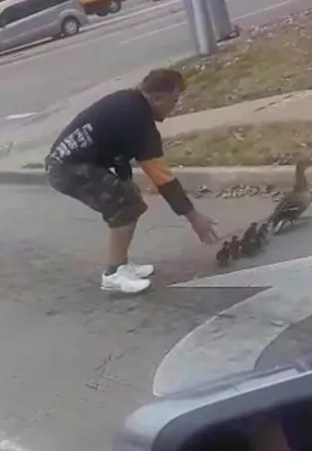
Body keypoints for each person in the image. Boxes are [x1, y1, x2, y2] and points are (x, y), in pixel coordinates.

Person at [45, 68, 219, 294]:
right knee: (125, 205)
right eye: (173, 101)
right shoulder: (138, 119)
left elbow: (118, 154)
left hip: (70, 163)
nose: (174, 107)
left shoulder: (130, 104)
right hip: (67, 169)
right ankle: (113, 274)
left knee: (130, 198)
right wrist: (195, 218)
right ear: (157, 98)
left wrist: (126, 185)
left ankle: (122, 264)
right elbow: (162, 178)